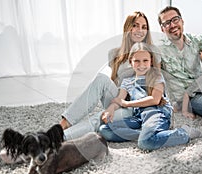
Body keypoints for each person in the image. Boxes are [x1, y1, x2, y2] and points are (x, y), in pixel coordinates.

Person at [60, 11, 161, 140]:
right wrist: (114, 105)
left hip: (137, 105)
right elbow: (113, 81)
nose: (139, 30)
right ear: (127, 27)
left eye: (144, 27)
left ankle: (61, 138)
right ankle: (63, 124)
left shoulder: (153, 53)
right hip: (118, 98)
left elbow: (158, 82)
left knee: (100, 117)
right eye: (135, 25)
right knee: (101, 79)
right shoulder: (114, 54)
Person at [98, 42, 199, 151]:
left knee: (145, 143)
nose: (141, 65)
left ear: (150, 61)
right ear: (131, 62)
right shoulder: (127, 81)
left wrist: (128, 104)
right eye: (137, 61)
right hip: (139, 117)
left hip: (157, 113)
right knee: (105, 129)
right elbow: (119, 100)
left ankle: (184, 132)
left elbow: (155, 100)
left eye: (145, 60)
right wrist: (110, 109)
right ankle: (146, 134)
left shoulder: (157, 77)